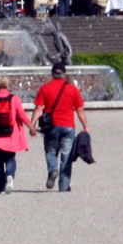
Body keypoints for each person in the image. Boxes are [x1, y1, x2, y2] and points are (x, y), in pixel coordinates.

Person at [32, 63, 89, 192]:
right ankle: (64, 186)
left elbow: (39, 108)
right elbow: (80, 109)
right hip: (68, 126)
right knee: (66, 155)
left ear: (52, 74)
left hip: (51, 126)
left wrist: (32, 125)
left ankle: (52, 169)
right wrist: (85, 126)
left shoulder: (45, 88)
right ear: (64, 74)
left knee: (51, 151)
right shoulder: (72, 89)